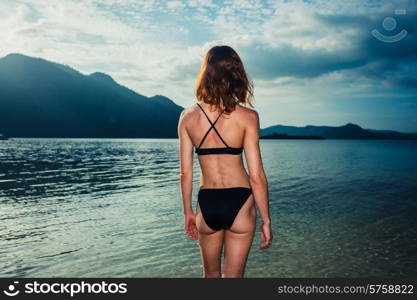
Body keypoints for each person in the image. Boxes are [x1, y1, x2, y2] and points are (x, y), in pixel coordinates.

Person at [178, 45, 272, 278]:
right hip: (240, 201)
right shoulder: (248, 117)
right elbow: (257, 176)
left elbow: (185, 173)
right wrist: (266, 219)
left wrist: (188, 211)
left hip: (207, 202)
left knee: (210, 277)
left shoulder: (187, 117)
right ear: (236, 75)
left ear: (206, 73)